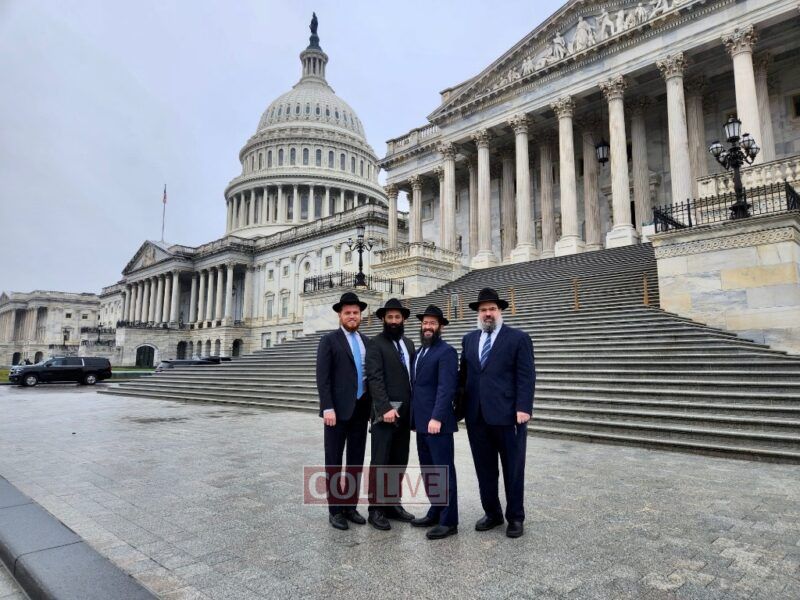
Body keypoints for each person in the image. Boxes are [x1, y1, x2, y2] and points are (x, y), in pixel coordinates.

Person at [460, 287, 535, 538]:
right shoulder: (469, 339)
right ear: (478, 313)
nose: (488, 313)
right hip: (477, 416)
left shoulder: (518, 338)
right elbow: (464, 377)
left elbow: (526, 375)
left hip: (508, 416)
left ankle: (515, 517)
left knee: (513, 468)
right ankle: (492, 513)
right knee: (484, 468)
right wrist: (457, 408)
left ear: (500, 310)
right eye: (483, 310)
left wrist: (523, 407)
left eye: (492, 309)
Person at [316, 292, 370, 530]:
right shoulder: (329, 341)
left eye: (355, 312)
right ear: (340, 315)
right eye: (347, 312)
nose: (352, 316)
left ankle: (350, 506)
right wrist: (327, 407)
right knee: (334, 461)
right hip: (336, 412)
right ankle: (335, 510)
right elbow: (323, 377)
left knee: (356, 461)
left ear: (360, 315)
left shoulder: (366, 341)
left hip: (361, 409)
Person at [365, 297, 416, 530]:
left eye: (397, 317)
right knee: (381, 460)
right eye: (390, 317)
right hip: (384, 413)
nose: (394, 321)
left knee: (399, 459)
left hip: (405, 414)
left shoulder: (409, 344)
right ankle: (376, 509)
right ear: (383, 320)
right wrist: (385, 408)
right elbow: (374, 378)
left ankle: (393, 504)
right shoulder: (375, 344)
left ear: (403, 319)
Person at [410, 304, 459, 540]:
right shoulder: (419, 352)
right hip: (421, 423)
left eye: (432, 323)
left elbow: (446, 387)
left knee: (443, 471)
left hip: (437, 423)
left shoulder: (446, 352)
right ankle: (436, 510)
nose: (428, 327)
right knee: (428, 471)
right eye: (425, 323)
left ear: (440, 327)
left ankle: (449, 521)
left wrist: (437, 417)